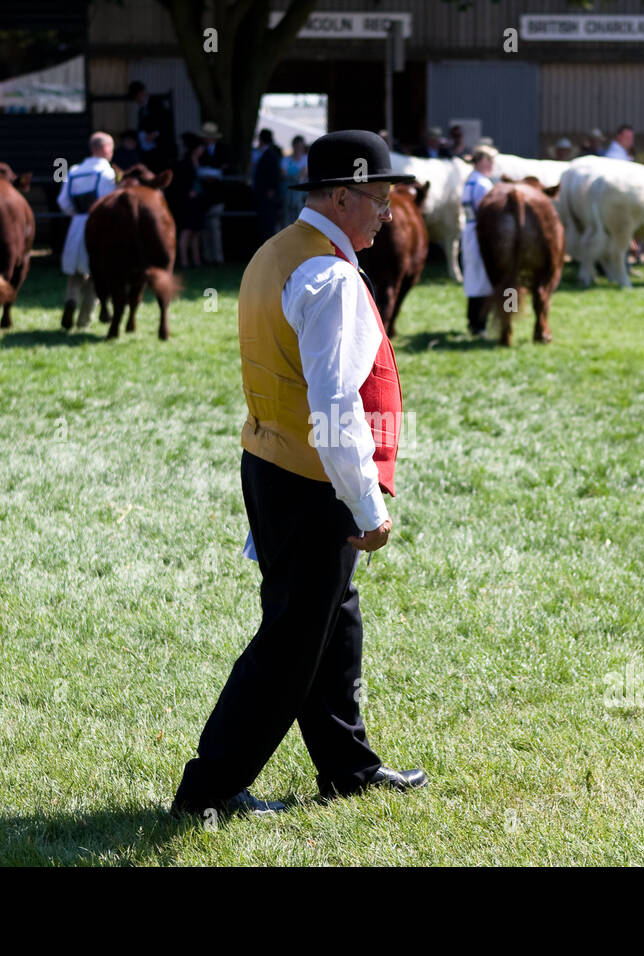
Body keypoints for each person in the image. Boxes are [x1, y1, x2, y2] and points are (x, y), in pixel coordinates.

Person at [170, 130, 426, 818]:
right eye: (379, 198)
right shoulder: (334, 277)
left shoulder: (274, 253)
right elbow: (337, 407)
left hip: (272, 464)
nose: (388, 214)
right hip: (315, 479)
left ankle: (348, 767)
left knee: (331, 621)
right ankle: (209, 790)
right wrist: (367, 506)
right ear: (341, 196)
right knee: (290, 641)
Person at [56, 132, 118, 330]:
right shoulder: (108, 174)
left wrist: (76, 214)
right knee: (95, 274)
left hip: (77, 223)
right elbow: (110, 202)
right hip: (100, 227)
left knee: (75, 272)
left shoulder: (74, 171)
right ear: (104, 149)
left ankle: (71, 300)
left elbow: (62, 201)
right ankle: (84, 321)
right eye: (111, 148)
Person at [461, 143, 496, 336]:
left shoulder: (470, 181)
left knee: (473, 277)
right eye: (490, 160)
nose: (493, 165)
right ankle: (479, 323)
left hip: (469, 230)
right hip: (481, 232)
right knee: (483, 277)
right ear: (482, 161)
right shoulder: (482, 184)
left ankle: (474, 321)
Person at [169, 132, 206, 268]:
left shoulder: (200, 162)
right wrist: (188, 192)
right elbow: (179, 183)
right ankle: (184, 260)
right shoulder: (183, 163)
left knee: (196, 231)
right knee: (186, 231)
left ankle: (196, 260)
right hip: (187, 202)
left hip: (197, 202)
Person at [196, 121, 231, 264]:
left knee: (215, 226)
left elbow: (226, 166)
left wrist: (214, 172)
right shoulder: (200, 151)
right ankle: (207, 256)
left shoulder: (222, 150)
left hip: (217, 195)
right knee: (204, 228)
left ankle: (218, 257)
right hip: (204, 195)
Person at [252, 128, 284, 241]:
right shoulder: (269, 153)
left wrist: (271, 189)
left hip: (267, 196)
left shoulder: (269, 155)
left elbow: (274, 174)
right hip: (265, 195)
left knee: (268, 225)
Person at [281, 135, 309, 223]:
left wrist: (294, 175)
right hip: (288, 193)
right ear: (293, 146)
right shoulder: (285, 159)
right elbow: (283, 174)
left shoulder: (306, 159)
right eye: (297, 147)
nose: (299, 149)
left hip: (301, 195)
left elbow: (305, 173)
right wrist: (299, 174)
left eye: (301, 147)